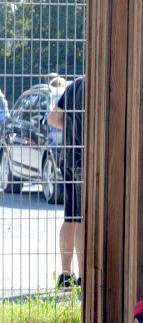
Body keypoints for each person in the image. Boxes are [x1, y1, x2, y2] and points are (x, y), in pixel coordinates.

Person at [48, 75, 85, 290]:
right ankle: (83, 276)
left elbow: (53, 118)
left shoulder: (74, 85)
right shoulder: (94, 87)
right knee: (81, 218)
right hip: (84, 160)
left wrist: (70, 128)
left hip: (68, 157)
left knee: (70, 216)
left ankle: (65, 273)